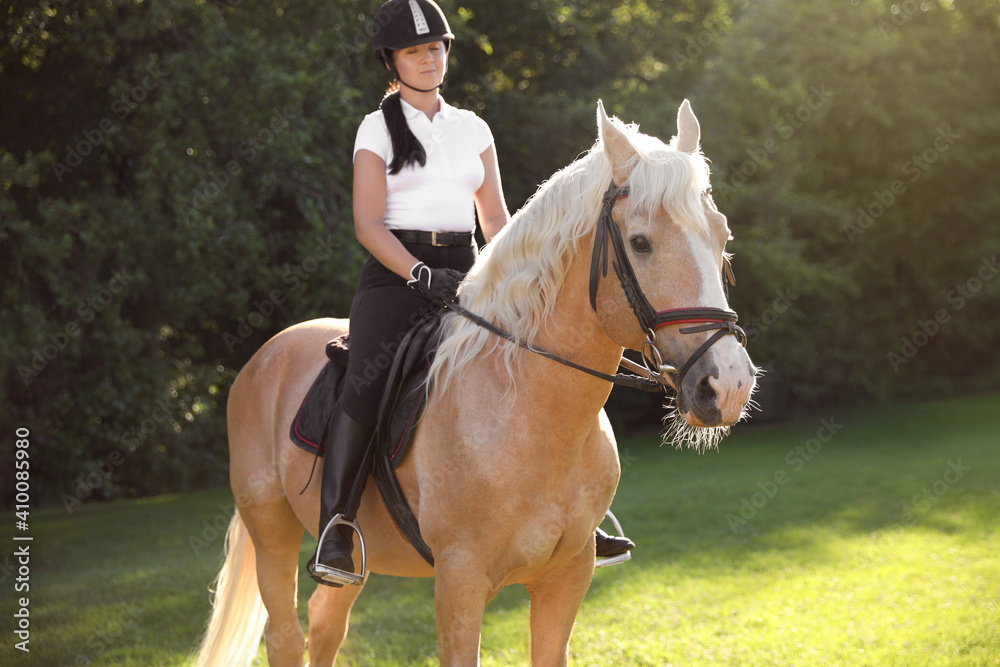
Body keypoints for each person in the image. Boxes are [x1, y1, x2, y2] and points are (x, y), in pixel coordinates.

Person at [311, 0, 633, 587]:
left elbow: (496, 220)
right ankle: (338, 524)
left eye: (435, 47)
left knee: (547, 361)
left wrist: (519, 277)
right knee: (367, 377)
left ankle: (584, 511)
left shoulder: (473, 128)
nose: (429, 58)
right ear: (393, 60)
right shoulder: (376, 128)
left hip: (470, 271)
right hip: (396, 276)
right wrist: (417, 275)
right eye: (415, 50)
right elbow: (367, 225)